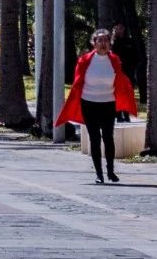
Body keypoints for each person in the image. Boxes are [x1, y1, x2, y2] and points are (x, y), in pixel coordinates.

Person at [55, 27, 138, 183]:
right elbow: (77, 82)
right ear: (94, 43)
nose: (103, 43)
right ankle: (99, 174)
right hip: (89, 103)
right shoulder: (85, 60)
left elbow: (120, 80)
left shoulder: (114, 60)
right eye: (100, 40)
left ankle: (111, 171)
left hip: (108, 103)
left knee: (108, 137)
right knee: (94, 138)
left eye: (106, 40)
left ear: (110, 43)